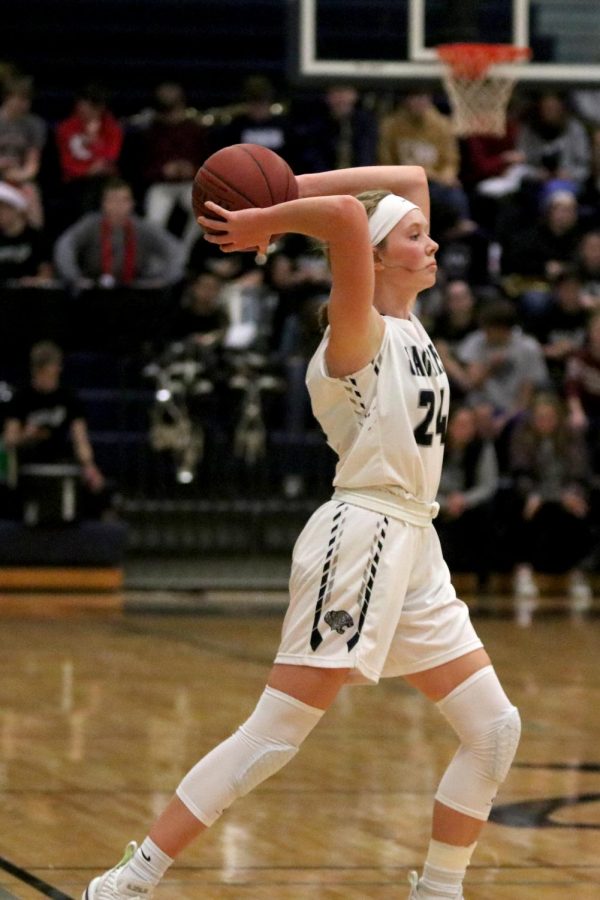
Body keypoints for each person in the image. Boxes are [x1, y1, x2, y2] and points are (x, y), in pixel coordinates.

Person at [82, 162, 520, 900]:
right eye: (416, 237)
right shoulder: (357, 331)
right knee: (275, 734)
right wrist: (269, 222)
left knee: (494, 730)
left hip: (416, 542)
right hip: (364, 536)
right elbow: (349, 216)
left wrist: (281, 192)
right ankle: (130, 880)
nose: (434, 244)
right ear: (375, 259)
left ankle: (439, 892)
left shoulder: (408, 322)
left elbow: (407, 176)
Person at [2, 340, 109, 520]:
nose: (48, 379)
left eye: (52, 373)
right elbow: (9, 439)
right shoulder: (21, 397)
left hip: (60, 463)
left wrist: (89, 466)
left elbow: (80, 438)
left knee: (98, 490)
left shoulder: (68, 397)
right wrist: (26, 435)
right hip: (27, 465)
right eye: (43, 374)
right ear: (35, 371)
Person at [508, 391, 593, 601]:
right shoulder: (522, 436)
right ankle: (524, 571)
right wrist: (534, 494)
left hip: (565, 495)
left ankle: (577, 573)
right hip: (533, 495)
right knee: (520, 505)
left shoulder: (571, 437)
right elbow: (520, 473)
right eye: (540, 417)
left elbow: (580, 473)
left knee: (579, 508)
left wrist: (572, 494)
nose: (545, 422)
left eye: (550, 417)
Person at [53, 177, 185, 292]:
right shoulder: (90, 224)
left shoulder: (143, 228)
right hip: (94, 288)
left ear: (132, 204)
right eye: (113, 200)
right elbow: (65, 245)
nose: (118, 206)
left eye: (124, 200)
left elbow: (174, 250)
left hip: (136, 288)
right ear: (103, 204)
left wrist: (164, 279)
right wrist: (74, 277)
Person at [135, 81, 210, 248]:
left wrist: (192, 170)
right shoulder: (151, 132)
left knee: (205, 213)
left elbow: (209, 165)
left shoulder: (195, 130)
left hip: (190, 184)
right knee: (153, 221)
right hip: (161, 185)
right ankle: (158, 262)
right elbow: (142, 169)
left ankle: (184, 255)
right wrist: (163, 171)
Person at [54, 83, 124, 227]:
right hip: (76, 180)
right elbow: (67, 164)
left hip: (104, 178)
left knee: (110, 190)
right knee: (88, 192)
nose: (85, 110)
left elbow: (110, 157)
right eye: (83, 105)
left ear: (101, 108)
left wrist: (95, 142)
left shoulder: (112, 127)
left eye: (93, 108)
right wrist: (86, 171)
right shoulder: (66, 128)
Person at [0, 71, 47, 228]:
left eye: (27, 100)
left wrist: (16, 176)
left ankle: (35, 245)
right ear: (8, 97)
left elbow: (32, 165)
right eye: (20, 98)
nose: (24, 104)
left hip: (20, 178)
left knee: (31, 194)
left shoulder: (35, 125)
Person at [0, 180, 54, 286]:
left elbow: (46, 272)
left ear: (16, 209)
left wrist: (36, 281)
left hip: (30, 295)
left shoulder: (35, 237)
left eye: (2, 209)